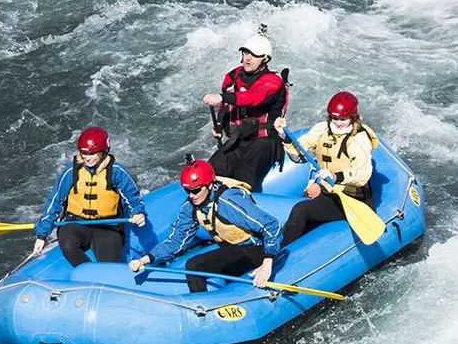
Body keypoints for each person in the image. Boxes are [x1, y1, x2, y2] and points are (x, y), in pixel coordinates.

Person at [128, 159, 284, 292]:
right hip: (235, 250)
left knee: (195, 265)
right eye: (187, 191)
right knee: (199, 262)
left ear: (209, 185)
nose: (191, 196)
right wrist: (146, 259)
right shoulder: (191, 207)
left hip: (258, 250)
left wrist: (268, 261)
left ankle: (202, 311)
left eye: (195, 190)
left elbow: (272, 226)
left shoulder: (227, 202)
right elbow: (175, 241)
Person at [34, 127, 147, 266]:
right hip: (75, 224)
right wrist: (42, 235)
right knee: (68, 244)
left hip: (107, 226)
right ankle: (86, 272)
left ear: (103, 151)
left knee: (110, 265)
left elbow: (134, 201)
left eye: (92, 154)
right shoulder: (71, 170)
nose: (87, 158)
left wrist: (139, 213)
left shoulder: (117, 172)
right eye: (84, 153)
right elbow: (55, 202)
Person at [281, 91, 376, 246]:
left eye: (343, 119)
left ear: (353, 117)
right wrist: (285, 139)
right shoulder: (323, 129)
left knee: (301, 210)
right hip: (328, 192)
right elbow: (298, 154)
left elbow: (363, 174)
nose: (338, 122)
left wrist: (335, 176)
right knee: (300, 213)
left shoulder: (359, 140)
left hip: (350, 197)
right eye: (335, 118)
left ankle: (278, 256)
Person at [200, 28, 288, 192]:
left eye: (254, 55)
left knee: (245, 177)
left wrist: (222, 97)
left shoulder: (273, 82)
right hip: (239, 140)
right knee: (210, 171)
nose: (248, 58)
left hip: (264, 142)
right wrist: (219, 123)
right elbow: (226, 106)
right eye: (246, 53)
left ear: (265, 59)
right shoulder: (233, 76)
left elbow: (252, 97)